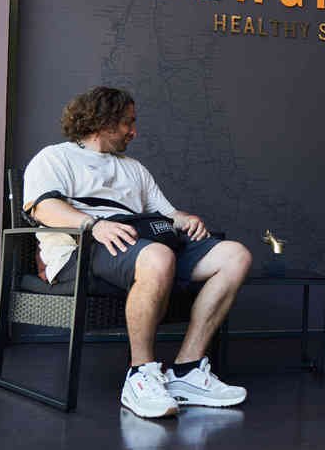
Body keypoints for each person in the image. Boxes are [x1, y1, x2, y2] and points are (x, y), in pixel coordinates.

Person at [23, 87, 252, 419]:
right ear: (103, 121)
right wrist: (93, 225)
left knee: (235, 256)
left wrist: (185, 218)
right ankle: (140, 374)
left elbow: (166, 214)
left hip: (140, 246)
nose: (134, 131)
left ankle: (187, 370)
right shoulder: (55, 158)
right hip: (82, 250)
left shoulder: (133, 168)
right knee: (158, 256)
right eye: (128, 123)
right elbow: (43, 207)